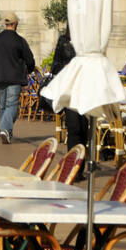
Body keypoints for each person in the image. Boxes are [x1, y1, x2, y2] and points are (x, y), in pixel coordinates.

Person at [0, 12, 36, 145]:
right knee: (12, 106)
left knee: (4, 106)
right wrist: (28, 71)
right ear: (16, 24)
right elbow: (30, 60)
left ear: (5, 24)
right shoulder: (20, 41)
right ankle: (5, 129)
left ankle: (7, 133)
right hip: (15, 79)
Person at [51, 22, 89, 153]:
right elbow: (54, 66)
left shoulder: (88, 41)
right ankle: (73, 164)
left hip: (84, 88)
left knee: (84, 128)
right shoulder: (63, 41)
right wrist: (65, 67)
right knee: (74, 127)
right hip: (70, 90)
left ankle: (80, 164)